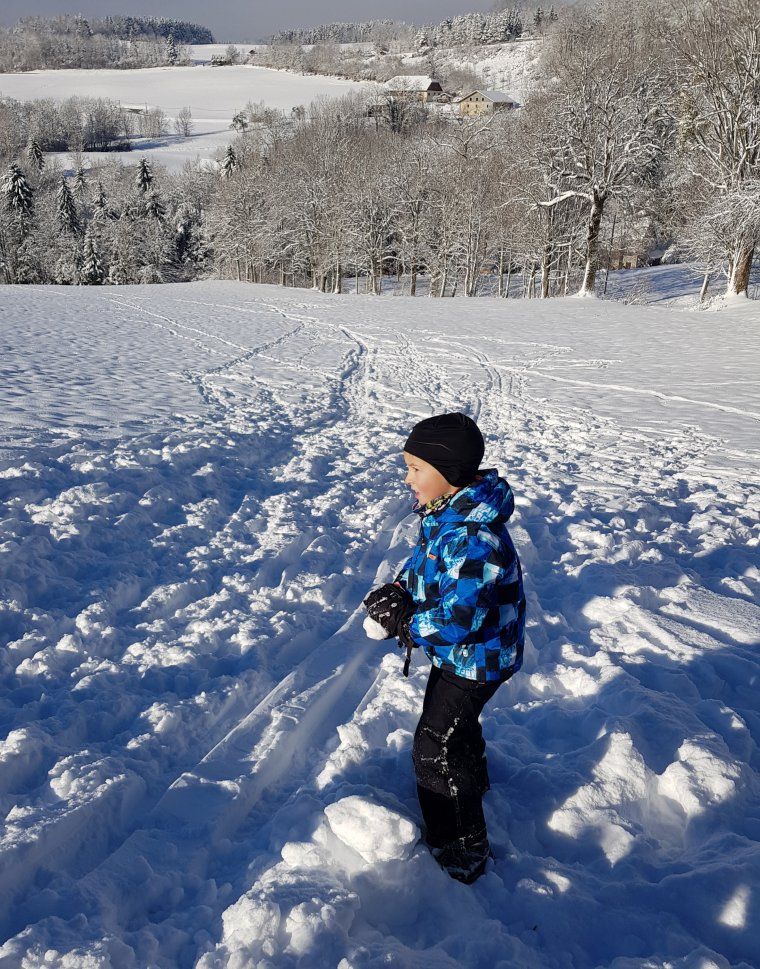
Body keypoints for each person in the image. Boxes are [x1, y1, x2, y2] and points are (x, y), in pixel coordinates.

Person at [363, 412, 526, 884]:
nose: (407, 478)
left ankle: (462, 850)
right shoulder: (448, 514)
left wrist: (408, 623)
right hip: (463, 656)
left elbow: (461, 617)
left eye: (416, 468)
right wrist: (401, 589)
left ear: (448, 473)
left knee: (434, 746)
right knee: (455, 725)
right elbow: (426, 565)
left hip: (477, 658)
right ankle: (473, 784)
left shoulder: (475, 538)